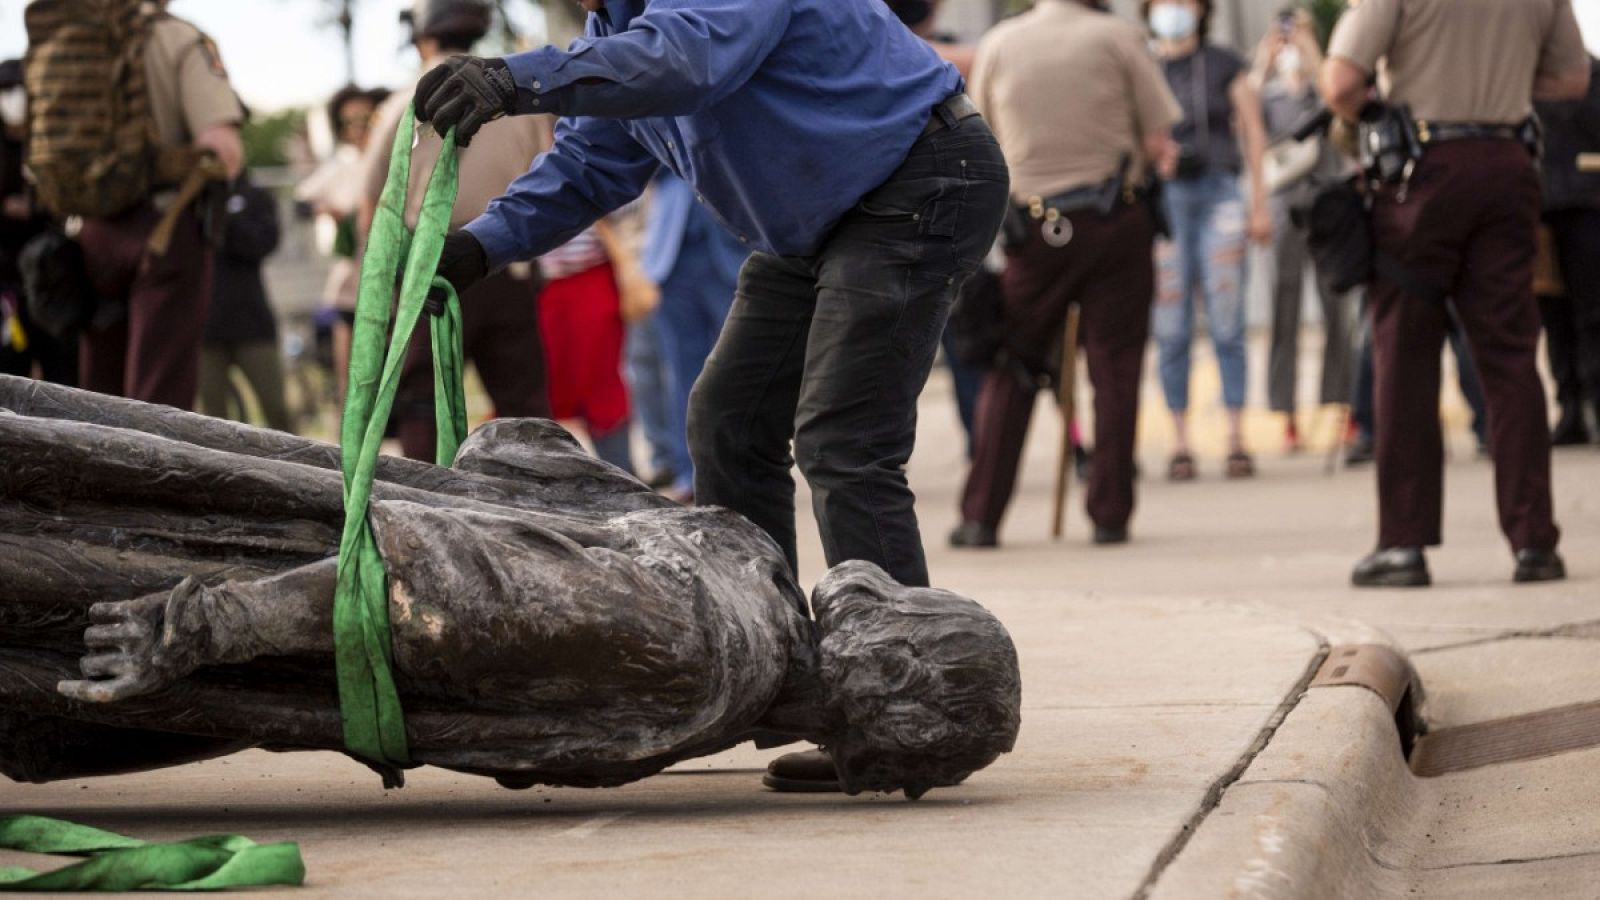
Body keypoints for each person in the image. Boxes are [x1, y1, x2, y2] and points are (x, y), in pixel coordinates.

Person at [0, 374, 1021, 801]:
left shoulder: (749, 567)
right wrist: (206, 622)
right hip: (262, 571)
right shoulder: (703, 651)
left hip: (298, 524)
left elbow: (519, 454)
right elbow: (429, 587)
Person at [411, 0, 1008, 592]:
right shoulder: (614, 26)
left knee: (845, 440)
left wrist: (516, 78)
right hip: (815, 223)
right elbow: (588, 165)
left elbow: (682, 59)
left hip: (915, 179)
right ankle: (765, 632)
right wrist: (480, 247)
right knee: (729, 424)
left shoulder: (653, 39)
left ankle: (897, 643)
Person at [1322, 0, 1588, 587]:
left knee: (1404, 355)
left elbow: (1339, 81)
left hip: (1422, 174)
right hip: (1508, 165)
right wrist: (1504, 83)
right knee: (1511, 356)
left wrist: (1380, 104)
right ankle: (1534, 542)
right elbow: (1573, 78)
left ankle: (1404, 545)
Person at [949, 0, 1179, 549]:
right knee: (1115, 368)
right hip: (1115, 222)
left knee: (1013, 364)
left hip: (1034, 231)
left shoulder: (1000, 43)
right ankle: (1110, 513)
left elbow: (980, 140)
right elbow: (1157, 141)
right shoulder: (1118, 37)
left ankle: (981, 516)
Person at [360, 0, 551, 463]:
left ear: (424, 37)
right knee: (523, 404)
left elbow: (371, 204)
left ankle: (424, 498)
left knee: (423, 402)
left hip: (430, 268)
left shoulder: (401, 104)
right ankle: (535, 492)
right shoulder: (519, 101)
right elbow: (550, 174)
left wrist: (383, 286)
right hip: (508, 261)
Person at [63, 2, 244, 409]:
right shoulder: (177, 37)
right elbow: (222, 150)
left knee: (95, 399)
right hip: (164, 231)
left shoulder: (72, 38)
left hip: (88, 235)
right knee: (158, 399)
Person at [1145, 0, 1272, 481]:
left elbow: (1254, 132)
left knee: (1227, 318)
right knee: (1171, 325)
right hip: (1167, 199)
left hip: (1221, 192)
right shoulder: (1144, 62)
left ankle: (1236, 435)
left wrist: (1259, 203)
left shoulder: (1225, 62)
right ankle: (1180, 440)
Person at [1253, 9, 1351, 453]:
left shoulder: (1322, 89)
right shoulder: (1267, 94)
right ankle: (1286, 414)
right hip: (1283, 207)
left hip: (1326, 204)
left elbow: (1341, 107)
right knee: (1284, 306)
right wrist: (1263, 62)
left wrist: (1316, 58)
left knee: (1336, 307)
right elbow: (1243, 123)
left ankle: (1342, 405)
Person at [638, 170, 748, 502]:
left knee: (741, 372)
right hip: (673, 258)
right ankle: (689, 473)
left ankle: (743, 471)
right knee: (679, 374)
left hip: (734, 252)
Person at [295, 85, 387, 405]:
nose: (358, 128)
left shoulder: (397, 161)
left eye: (366, 119)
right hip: (354, 281)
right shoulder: (341, 167)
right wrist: (329, 211)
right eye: (349, 121)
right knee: (352, 379)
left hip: (398, 283)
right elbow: (302, 202)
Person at [1535, 54, 1600, 447]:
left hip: (1587, 205)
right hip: (1542, 209)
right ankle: (1570, 409)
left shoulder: (1591, 73)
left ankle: (1594, 404)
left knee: (1591, 314)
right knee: (1554, 315)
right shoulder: (1525, 73)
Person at [197, 171, 291, 432]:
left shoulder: (254, 196)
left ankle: (294, 457)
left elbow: (264, 242)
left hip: (252, 322)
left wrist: (225, 218)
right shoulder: (192, 201)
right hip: (205, 327)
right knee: (213, 418)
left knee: (276, 408)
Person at [0, 58, 73, 386]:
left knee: (61, 373)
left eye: (19, 89)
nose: (13, 99)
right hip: (7, 280)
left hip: (50, 276)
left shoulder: (50, 143)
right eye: (6, 91)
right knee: (10, 371)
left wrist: (36, 208)